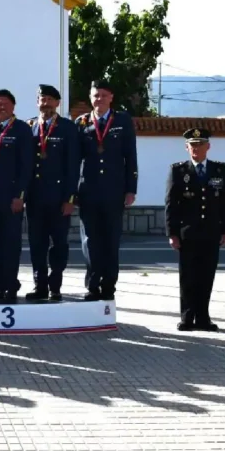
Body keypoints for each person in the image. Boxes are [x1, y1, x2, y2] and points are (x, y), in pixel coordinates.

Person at [165, 128, 225, 331]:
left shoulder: (220, 170)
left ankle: (203, 317)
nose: (196, 148)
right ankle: (187, 317)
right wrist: (172, 233)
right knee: (188, 276)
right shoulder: (178, 170)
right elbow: (171, 204)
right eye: (192, 145)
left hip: (211, 232)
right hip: (188, 233)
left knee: (206, 276)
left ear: (208, 146)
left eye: (200, 144)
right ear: (187, 147)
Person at [76, 79, 138, 301]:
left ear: (111, 97)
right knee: (89, 241)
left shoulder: (122, 120)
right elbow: (75, 160)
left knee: (110, 240)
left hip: (114, 191)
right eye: (95, 95)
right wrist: (73, 192)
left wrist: (131, 189)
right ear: (90, 98)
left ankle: (109, 285)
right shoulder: (82, 122)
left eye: (103, 95)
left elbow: (130, 157)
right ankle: (92, 285)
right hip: (88, 191)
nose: (99, 99)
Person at [25, 85, 80, 301]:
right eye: (41, 99)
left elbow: (73, 166)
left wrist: (70, 198)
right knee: (36, 244)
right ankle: (39, 286)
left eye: (49, 99)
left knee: (59, 244)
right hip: (35, 197)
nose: (45, 103)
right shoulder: (29, 126)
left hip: (59, 198)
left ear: (57, 103)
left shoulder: (67, 128)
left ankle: (55, 284)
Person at [0, 89, 33, 303]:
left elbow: (26, 166)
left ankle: (10, 285)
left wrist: (20, 195)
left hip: (11, 198)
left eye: (5, 104)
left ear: (13, 107)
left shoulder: (21, 130)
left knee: (10, 243)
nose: (0, 107)